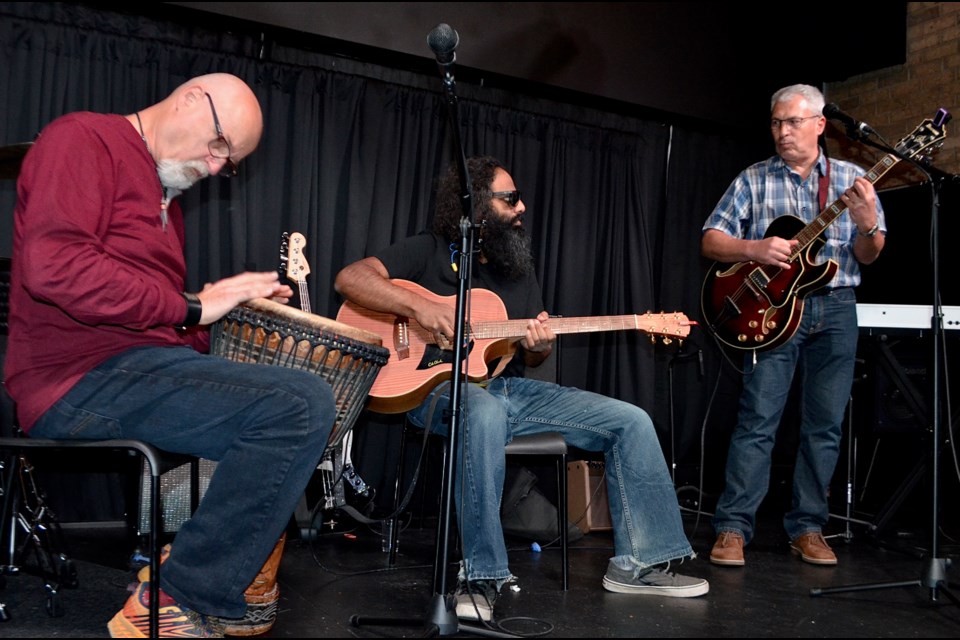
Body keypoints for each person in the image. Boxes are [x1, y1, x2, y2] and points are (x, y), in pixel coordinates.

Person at [3, 73, 336, 637]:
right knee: (299, 406)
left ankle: (187, 572)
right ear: (189, 99)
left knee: (293, 399)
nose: (212, 168)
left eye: (225, 163)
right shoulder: (82, 139)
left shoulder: (168, 204)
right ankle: (177, 596)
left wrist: (231, 325)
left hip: (133, 370)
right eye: (218, 147)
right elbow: (54, 266)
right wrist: (193, 307)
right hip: (74, 380)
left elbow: (158, 325)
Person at [334, 155, 708, 623]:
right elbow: (350, 278)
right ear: (475, 205)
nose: (521, 207)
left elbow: (529, 357)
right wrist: (419, 308)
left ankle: (640, 564)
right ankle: (482, 575)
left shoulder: (518, 269)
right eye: (509, 198)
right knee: (483, 412)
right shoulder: (427, 249)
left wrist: (539, 345)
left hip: (508, 390)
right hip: (436, 391)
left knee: (630, 420)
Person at [701, 84, 885, 567]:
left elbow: (869, 254)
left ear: (820, 124)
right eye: (777, 123)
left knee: (824, 425)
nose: (783, 132)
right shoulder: (753, 178)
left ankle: (808, 527)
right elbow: (711, 239)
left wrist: (867, 223)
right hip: (775, 314)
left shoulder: (853, 179)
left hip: (837, 308)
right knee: (758, 419)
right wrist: (753, 249)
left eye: (793, 122)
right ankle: (732, 527)